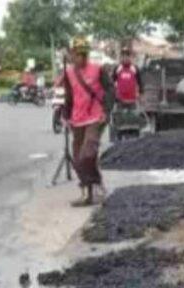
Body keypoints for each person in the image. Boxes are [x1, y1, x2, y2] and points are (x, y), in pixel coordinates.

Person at [61, 37, 114, 207]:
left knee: (88, 153)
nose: (81, 58)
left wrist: (107, 110)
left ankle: (95, 184)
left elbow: (110, 89)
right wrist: (65, 115)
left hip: (96, 117)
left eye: (84, 54)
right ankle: (87, 192)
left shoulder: (98, 70)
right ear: (72, 54)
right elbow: (69, 95)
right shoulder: (68, 73)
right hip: (77, 119)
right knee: (77, 159)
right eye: (77, 55)